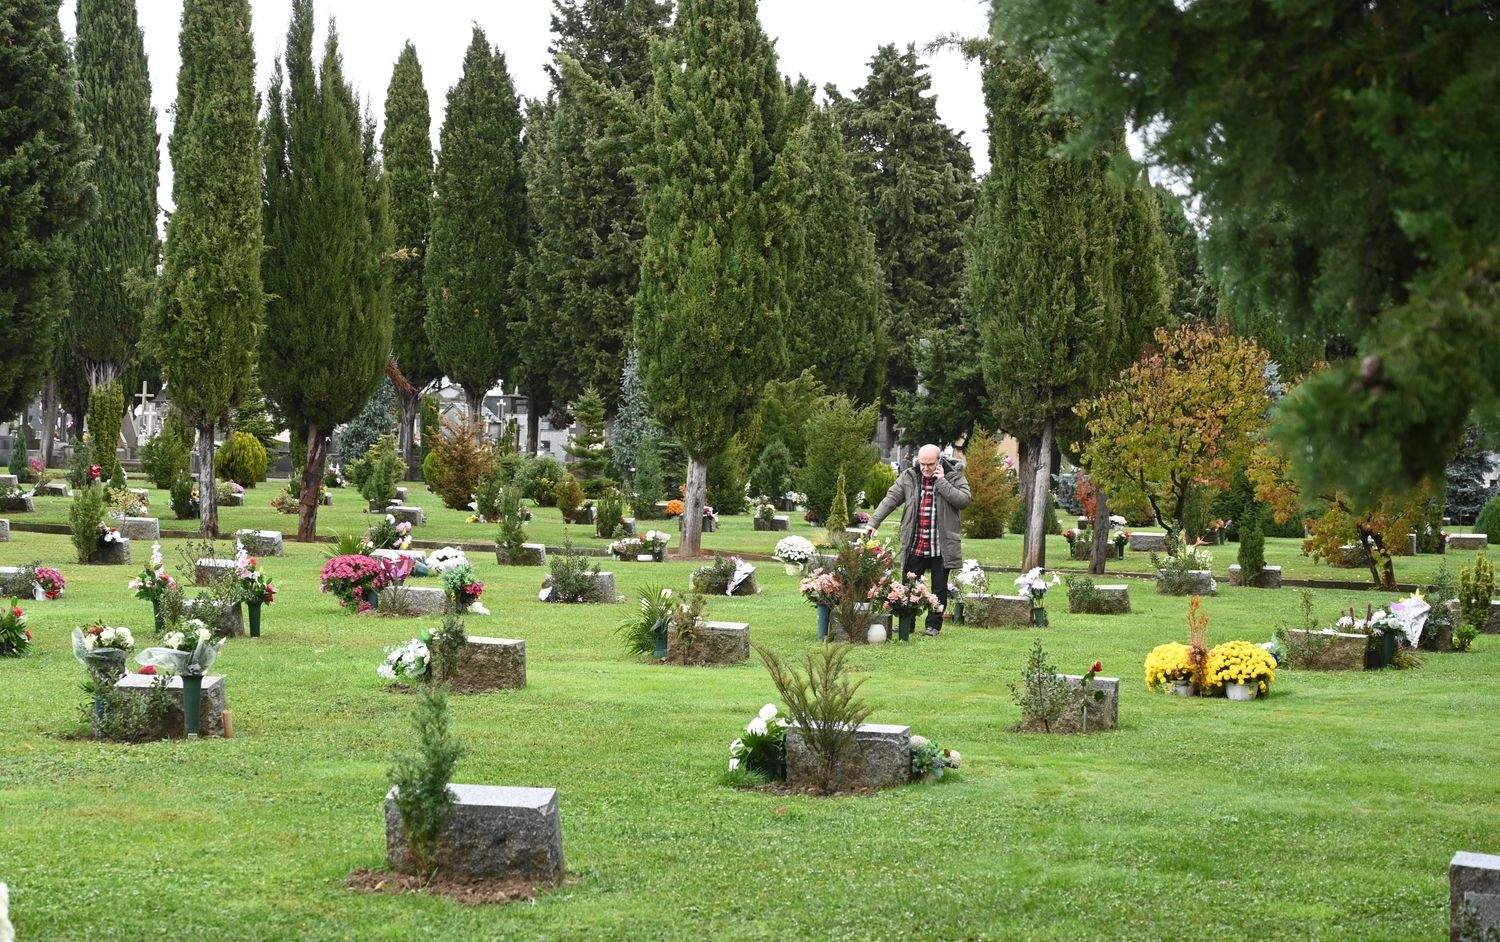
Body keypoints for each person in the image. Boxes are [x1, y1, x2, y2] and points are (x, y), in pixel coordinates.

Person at [869, 444, 971, 635]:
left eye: (930, 464)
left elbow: (964, 500)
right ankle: (908, 622)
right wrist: (873, 522)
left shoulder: (953, 476)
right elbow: (891, 499)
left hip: (941, 544)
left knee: (938, 588)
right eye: (922, 464)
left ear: (939, 461)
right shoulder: (909, 476)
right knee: (908, 586)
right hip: (916, 541)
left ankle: (933, 625)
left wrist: (942, 483)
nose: (925, 468)